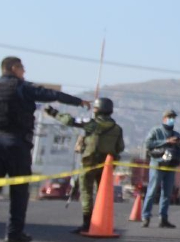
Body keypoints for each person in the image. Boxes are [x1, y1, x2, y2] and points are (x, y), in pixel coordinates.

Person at [0, 56, 90, 242]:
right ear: (14, 68)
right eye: (22, 69)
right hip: (16, 143)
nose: (24, 73)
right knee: (19, 190)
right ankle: (14, 233)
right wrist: (79, 102)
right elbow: (51, 94)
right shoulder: (22, 87)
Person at [47, 98, 124, 234]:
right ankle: (103, 222)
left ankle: (87, 224)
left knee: (86, 193)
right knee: (103, 194)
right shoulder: (117, 128)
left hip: (89, 163)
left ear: (98, 109)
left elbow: (69, 121)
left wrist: (54, 113)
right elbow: (120, 147)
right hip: (106, 166)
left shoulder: (91, 124)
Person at [142, 109, 180, 228]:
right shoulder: (156, 131)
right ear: (164, 118)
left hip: (170, 166)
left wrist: (178, 157)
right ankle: (146, 216)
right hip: (157, 164)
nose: (171, 119)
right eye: (169, 117)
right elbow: (148, 144)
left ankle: (163, 218)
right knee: (152, 190)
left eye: (173, 117)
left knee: (167, 193)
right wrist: (165, 141)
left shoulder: (176, 134)